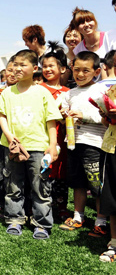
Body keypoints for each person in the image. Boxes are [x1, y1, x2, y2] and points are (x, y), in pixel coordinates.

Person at [0, 49, 62, 239]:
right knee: (13, 185)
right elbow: (2, 116)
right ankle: (14, 219)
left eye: (22, 65)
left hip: (39, 147)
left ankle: (42, 223)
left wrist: (52, 145)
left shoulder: (42, 92)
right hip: (13, 148)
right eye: (15, 64)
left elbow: (51, 120)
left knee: (40, 187)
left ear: (34, 69)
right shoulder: (7, 92)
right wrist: (8, 136)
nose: (17, 68)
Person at [59, 52, 108, 237]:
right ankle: (78, 217)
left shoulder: (101, 91)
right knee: (77, 183)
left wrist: (84, 116)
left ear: (96, 71)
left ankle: (101, 221)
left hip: (95, 145)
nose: (79, 74)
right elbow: (62, 118)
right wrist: (64, 116)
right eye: (76, 70)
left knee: (97, 185)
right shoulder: (69, 93)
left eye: (85, 71)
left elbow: (106, 116)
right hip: (73, 143)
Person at [39, 42, 70, 221]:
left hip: (63, 139)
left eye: (51, 66)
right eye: (45, 66)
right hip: (44, 137)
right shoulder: (39, 89)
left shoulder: (69, 92)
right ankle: (43, 205)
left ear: (63, 68)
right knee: (44, 172)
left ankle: (62, 206)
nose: (47, 69)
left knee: (61, 173)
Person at [0, 56, 17, 213]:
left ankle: (14, 200)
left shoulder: (23, 90)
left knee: (13, 167)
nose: (12, 74)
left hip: (17, 133)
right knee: (0, 166)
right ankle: (1, 199)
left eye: (15, 71)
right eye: (9, 70)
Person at [98, 84, 116, 261]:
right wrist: (106, 116)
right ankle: (114, 242)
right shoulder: (111, 90)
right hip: (111, 148)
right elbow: (106, 122)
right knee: (111, 197)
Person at [70, 7, 112, 79]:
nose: (86, 24)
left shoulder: (109, 38)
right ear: (77, 28)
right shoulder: (78, 50)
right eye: (82, 23)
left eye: (89, 20)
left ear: (95, 22)